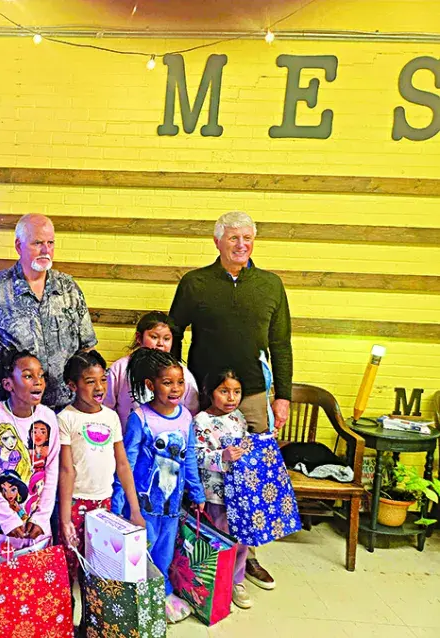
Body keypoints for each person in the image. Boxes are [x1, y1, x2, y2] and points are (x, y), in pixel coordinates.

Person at [169, 210, 292, 591]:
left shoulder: (270, 285)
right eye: (233, 238)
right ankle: (194, 550)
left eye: (247, 238)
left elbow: (281, 344)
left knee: (250, 478)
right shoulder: (195, 283)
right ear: (217, 241)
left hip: (251, 395)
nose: (241, 245)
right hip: (202, 395)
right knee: (198, 469)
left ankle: (245, 557)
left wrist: (283, 396)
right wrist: (174, 385)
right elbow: (173, 333)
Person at [0, 213, 97, 412]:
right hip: (8, 411)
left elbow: (87, 349)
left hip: (63, 411)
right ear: (19, 246)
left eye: (50, 243)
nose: (46, 250)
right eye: (38, 243)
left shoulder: (68, 288)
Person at [111, 348, 206, 624]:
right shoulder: (140, 418)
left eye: (180, 382)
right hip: (142, 506)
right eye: (167, 382)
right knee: (143, 553)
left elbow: (189, 457)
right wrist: (119, 504)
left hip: (172, 506)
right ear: (151, 385)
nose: (175, 388)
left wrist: (196, 492)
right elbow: (125, 463)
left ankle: (161, 594)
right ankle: (139, 600)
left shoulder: (185, 417)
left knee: (164, 553)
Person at [57, 350, 145, 592]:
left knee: (99, 568)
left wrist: (135, 510)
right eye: (90, 381)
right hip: (75, 503)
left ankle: (93, 613)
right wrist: (65, 520)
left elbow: (123, 465)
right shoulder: (65, 419)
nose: (99, 387)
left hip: (104, 504)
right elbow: (66, 470)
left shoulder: (111, 417)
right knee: (69, 564)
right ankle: (67, 610)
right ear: (72, 385)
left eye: (103, 380)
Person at [0, 351, 60, 557]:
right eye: (28, 376)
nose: (38, 381)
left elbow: (51, 472)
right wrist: (7, 519)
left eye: (41, 375)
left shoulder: (48, 417)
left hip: (36, 526)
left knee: (37, 574)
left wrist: (41, 518)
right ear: (8, 384)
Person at [193, 369, 253, 610]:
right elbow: (195, 455)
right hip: (215, 493)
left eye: (237, 392)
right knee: (219, 538)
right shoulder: (200, 421)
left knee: (241, 537)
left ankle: (237, 580)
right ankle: (215, 582)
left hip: (240, 492)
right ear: (210, 392)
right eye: (224, 391)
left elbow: (245, 445)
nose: (231, 398)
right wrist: (221, 456)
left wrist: (261, 442)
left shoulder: (239, 417)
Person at [105, 311, 199, 429]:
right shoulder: (120, 369)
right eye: (154, 337)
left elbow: (191, 411)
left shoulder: (181, 372)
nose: (160, 344)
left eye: (166, 339)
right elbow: (107, 408)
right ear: (139, 338)